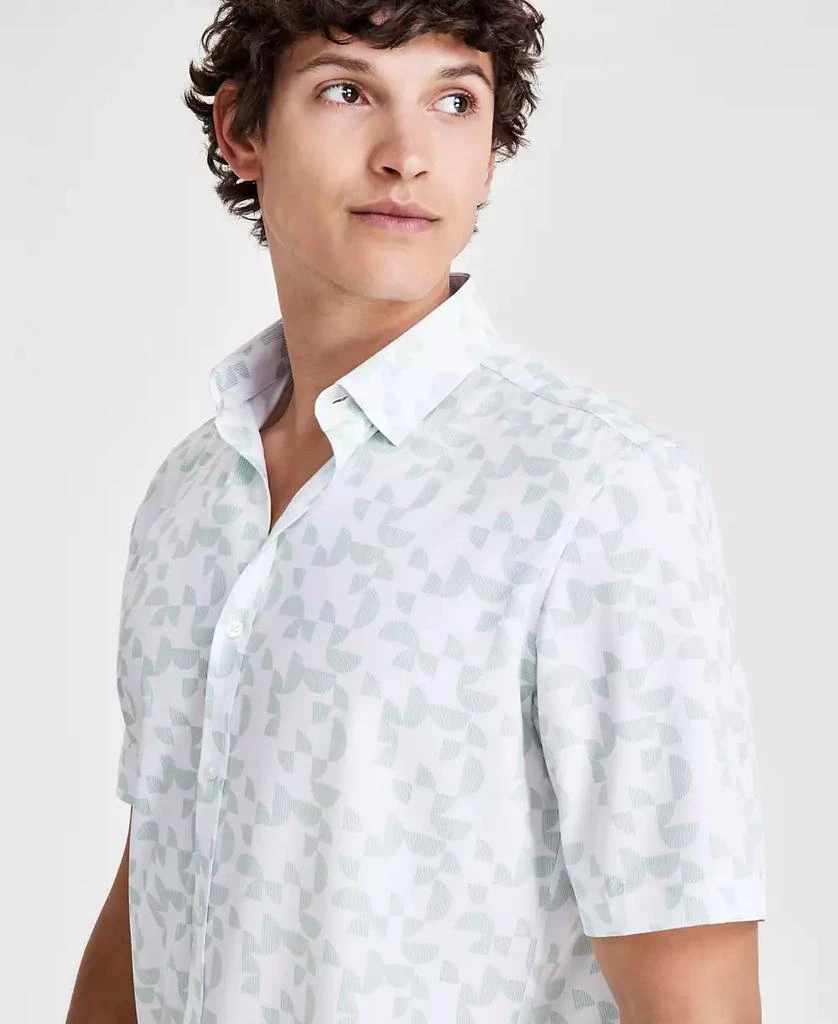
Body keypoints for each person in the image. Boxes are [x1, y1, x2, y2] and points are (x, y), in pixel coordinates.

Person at [66, 3, 767, 1022]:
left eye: (454, 102)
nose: (407, 155)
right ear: (242, 131)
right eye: (346, 91)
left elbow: (692, 969)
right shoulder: (190, 493)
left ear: (489, 156)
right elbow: (161, 876)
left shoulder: (596, 491)